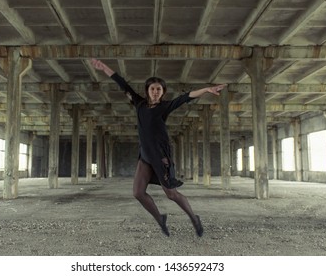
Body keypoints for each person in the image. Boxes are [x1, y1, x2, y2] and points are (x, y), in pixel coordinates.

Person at [91, 58, 227, 237]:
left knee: (171, 194)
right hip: (145, 156)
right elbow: (122, 83)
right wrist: (104, 68)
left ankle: (194, 218)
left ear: (162, 93)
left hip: (161, 156)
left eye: (159, 89)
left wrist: (207, 89)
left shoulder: (164, 107)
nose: (155, 92)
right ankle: (160, 218)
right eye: (152, 88)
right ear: (147, 90)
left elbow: (186, 97)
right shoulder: (139, 104)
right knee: (138, 193)